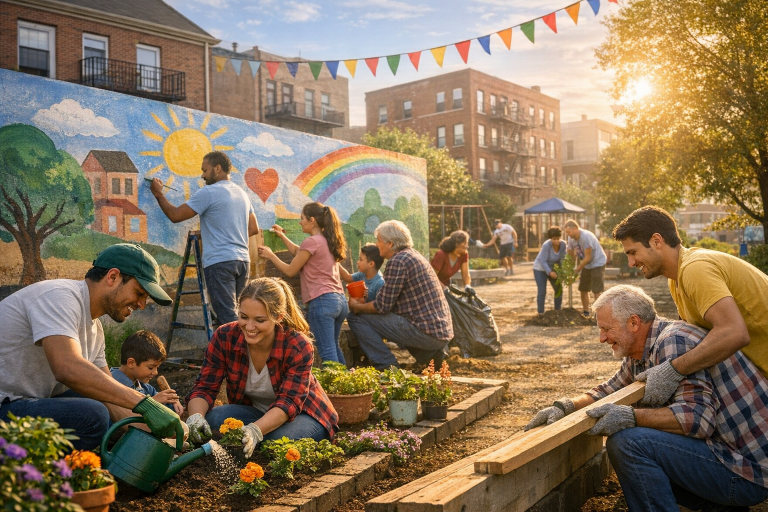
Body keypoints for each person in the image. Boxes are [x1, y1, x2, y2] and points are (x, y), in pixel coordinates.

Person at [525, 285, 768, 511]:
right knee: (640, 441)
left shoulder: (673, 341)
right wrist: (566, 406)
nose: (601, 338)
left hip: (746, 473)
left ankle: (720, 502)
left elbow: (698, 419)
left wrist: (631, 417)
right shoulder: (641, 349)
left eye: (606, 329)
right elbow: (609, 391)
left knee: (628, 443)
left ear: (634, 322)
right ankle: (719, 506)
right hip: (731, 461)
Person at [0, 244, 183, 450]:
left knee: (102, 401)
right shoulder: (59, 296)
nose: (142, 304)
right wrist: (144, 403)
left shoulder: (95, 330)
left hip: (25, 404)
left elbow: (110, 397)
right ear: (112, 277)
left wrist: (162, 433)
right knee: (93, 415)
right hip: (5, 406)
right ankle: (43, 468)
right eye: (139, 293)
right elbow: (67, 368)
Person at [612, 205, 768, 406]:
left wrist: (673, 370)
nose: (631, 262)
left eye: (633, 252)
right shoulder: (676, 279)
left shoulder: (695, 269)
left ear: (657, 241)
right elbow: (690, 338)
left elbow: (734, 333)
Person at [184, 277, 339, 457]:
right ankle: (258, 434)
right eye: (244, 317)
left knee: (277, 441)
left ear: (278, 317)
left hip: (303, 415)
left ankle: (266, 435)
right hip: (256, 412)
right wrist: (195, 417)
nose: (249, 327)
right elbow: (204, 387)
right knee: (212, 419)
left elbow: (288, 402)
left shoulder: (297, 345)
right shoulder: (225, 337)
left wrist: (255, 430)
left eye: (259, 320)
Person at [150, 150, 259, 326]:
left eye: (205, 170)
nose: (202, 175)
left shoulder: (209, 192)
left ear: (218, 168)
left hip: (220, 262)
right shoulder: (242, 194)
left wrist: (158, 194)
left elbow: (176, 215)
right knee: (240, 314)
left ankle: (236, 345)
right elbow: (253, 228)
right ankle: (242, 344)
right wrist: (217, 231)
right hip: (242, 262)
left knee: (228, 319)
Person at [346, 220, 453, 370]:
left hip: (428, 334)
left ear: (390, 244)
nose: (377, 244)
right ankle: (432, 357)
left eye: (379, 240)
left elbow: (382, 306)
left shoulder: (398, 261)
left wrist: (357, 307)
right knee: (400, 317)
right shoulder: (413, 255)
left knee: (356, 318)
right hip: (440, 332)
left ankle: (387, 367)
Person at [258, 202, 348, 364]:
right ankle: (346, 380)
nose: (300, 222)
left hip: (322, 301)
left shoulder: (312, 242)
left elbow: (290, 271)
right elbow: (297, 252)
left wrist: (271, 255)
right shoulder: (327, 240)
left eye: (302, 218)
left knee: (327, 350)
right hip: (339, 301)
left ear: (312, 220)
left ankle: (334, 381)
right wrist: (282, 235)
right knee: (333, 346)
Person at [110, 330, 184, 415]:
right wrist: (152, 402)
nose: (155, 372)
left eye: (157, 367)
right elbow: (122, 415)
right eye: (151, 367)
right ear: (131, 363)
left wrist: (174, 402)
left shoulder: (146, 388)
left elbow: (165, 407)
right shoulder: (111, 385)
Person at [564, 219, 607, 318]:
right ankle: (586, 312)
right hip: (586, 264)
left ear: (575, 229)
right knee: (583, 288)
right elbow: (570, 252)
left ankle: (598, 314)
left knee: (596, 290)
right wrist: (570, 267)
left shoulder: (586, 237)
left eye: (568, 232)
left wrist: (577, 270)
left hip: (597, 262)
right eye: (566, 232)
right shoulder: (571, 238)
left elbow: (588, 257)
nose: (567, 234)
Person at [533, 226, 566, 316]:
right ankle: (541, 313)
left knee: (559, 289)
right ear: (550, 238)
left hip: (553, 269)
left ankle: (557, 311)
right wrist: (550, 272)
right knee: (542, 290)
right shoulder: (546, 245)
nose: (556, 241)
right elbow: (543, 261)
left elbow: (562, 259)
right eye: (554, 239)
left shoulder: (563, 245)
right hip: (540, 268)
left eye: (558, 238)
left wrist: (561, 272)